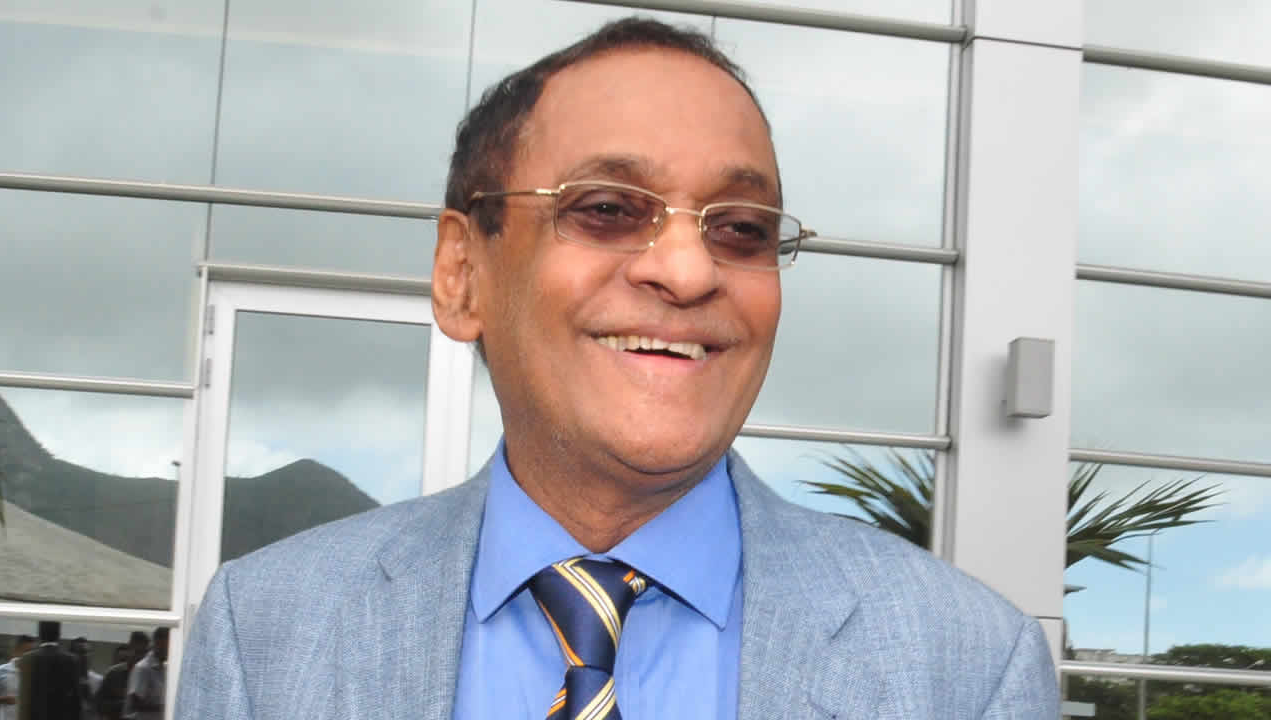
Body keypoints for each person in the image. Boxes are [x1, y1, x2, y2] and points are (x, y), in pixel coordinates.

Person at [176, 17, 1058, 719]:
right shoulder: (268, 632)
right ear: (462, 274)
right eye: (605, 209)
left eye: (741, 227)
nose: (688, 270)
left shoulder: (968, 666)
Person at [15, 621, 80, 720]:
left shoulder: (27, 658)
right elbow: (76, 699)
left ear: (40, 635)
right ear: (59, 634)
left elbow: (24, 697)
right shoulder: (71, 659)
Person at [94, 635, 145, 720]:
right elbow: (100, 705)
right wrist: (124, 704)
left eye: (144, 653)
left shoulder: (148, 673)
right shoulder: (114, 673)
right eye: (137, 652)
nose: (140, 657)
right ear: (130, 650)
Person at [124, 629, 166, 720]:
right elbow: (135, 703)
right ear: (158, 643)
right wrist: (165, 706)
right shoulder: (143, 668)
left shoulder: (165, 667)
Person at [0, 636, 34, 720]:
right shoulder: (2, 670)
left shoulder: (35, 673)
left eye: (32, 652)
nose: (30, 655)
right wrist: (4, 699)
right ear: (16, 650)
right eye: (26, 651)